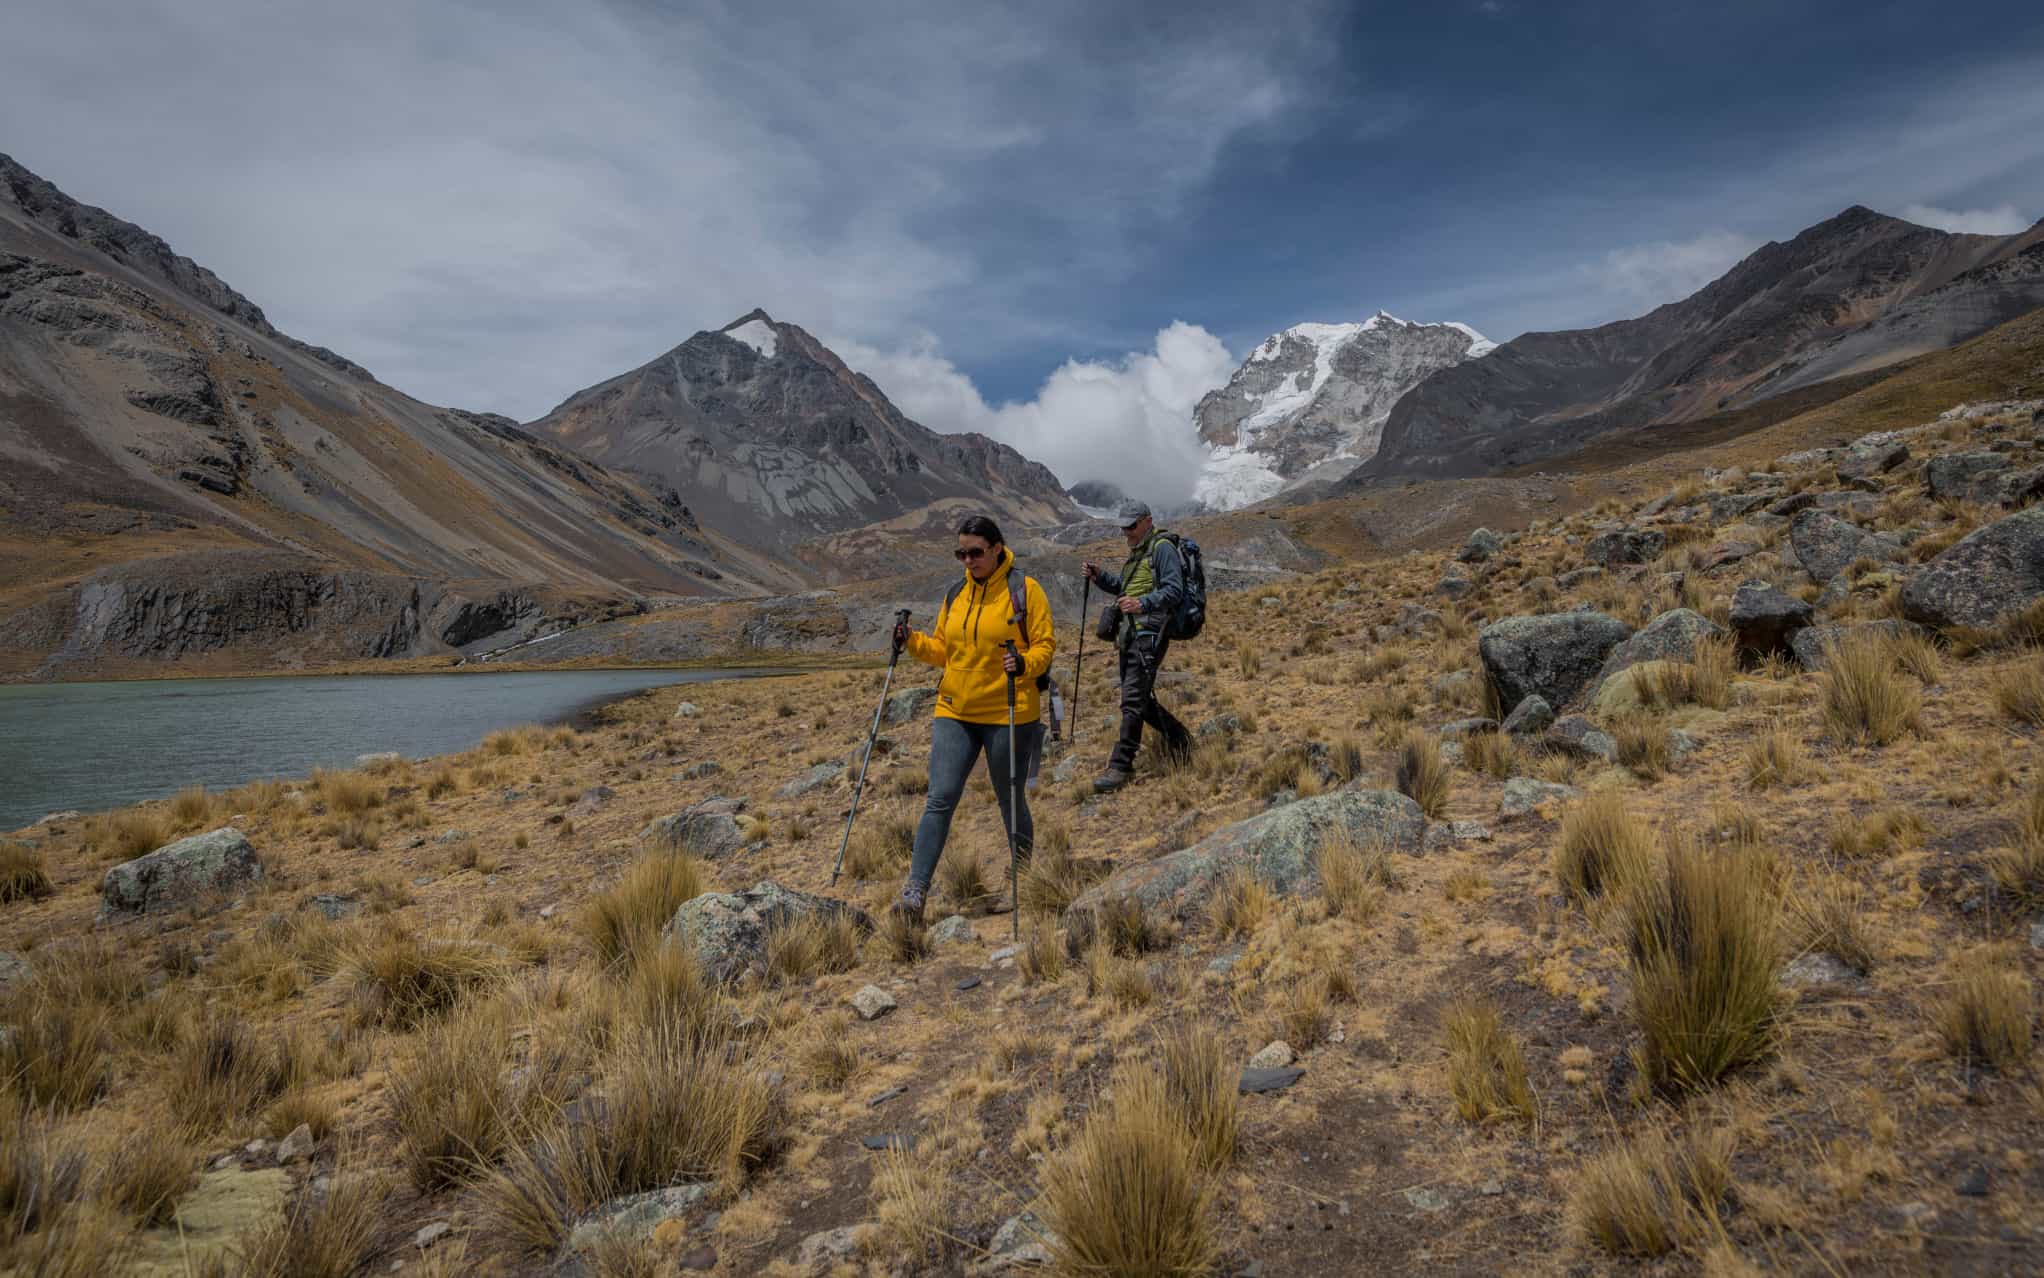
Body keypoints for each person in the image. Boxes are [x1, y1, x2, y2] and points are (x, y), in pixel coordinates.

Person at [889, 515, 1056, 923]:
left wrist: (1023, 662)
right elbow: (944, 650)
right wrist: (911, 641)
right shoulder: (956, 593)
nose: (968, 560)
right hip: (955, 710)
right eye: (961, 553)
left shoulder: (1025, 590)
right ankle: (915, 892)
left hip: (1008, 710)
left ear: (997, 548)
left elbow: (1046, 646)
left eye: (975, 552)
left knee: (1009, 799)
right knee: (939, 798)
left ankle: (1021, 877)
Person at [1082, 499, 1192, 793]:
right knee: (1138, 698)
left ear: (1147, 521)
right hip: (1131, 635)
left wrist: (1142, 603)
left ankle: (1121, 765)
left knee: (1132, 699)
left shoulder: (1161, 548)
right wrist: (1100, 577)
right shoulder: (1138, 553)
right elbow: (1126, 588)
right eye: (1123, 527)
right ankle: (1180, 739)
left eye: (1131, 526)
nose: (1126, 532)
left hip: (1150, 635)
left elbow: (1174, 589)